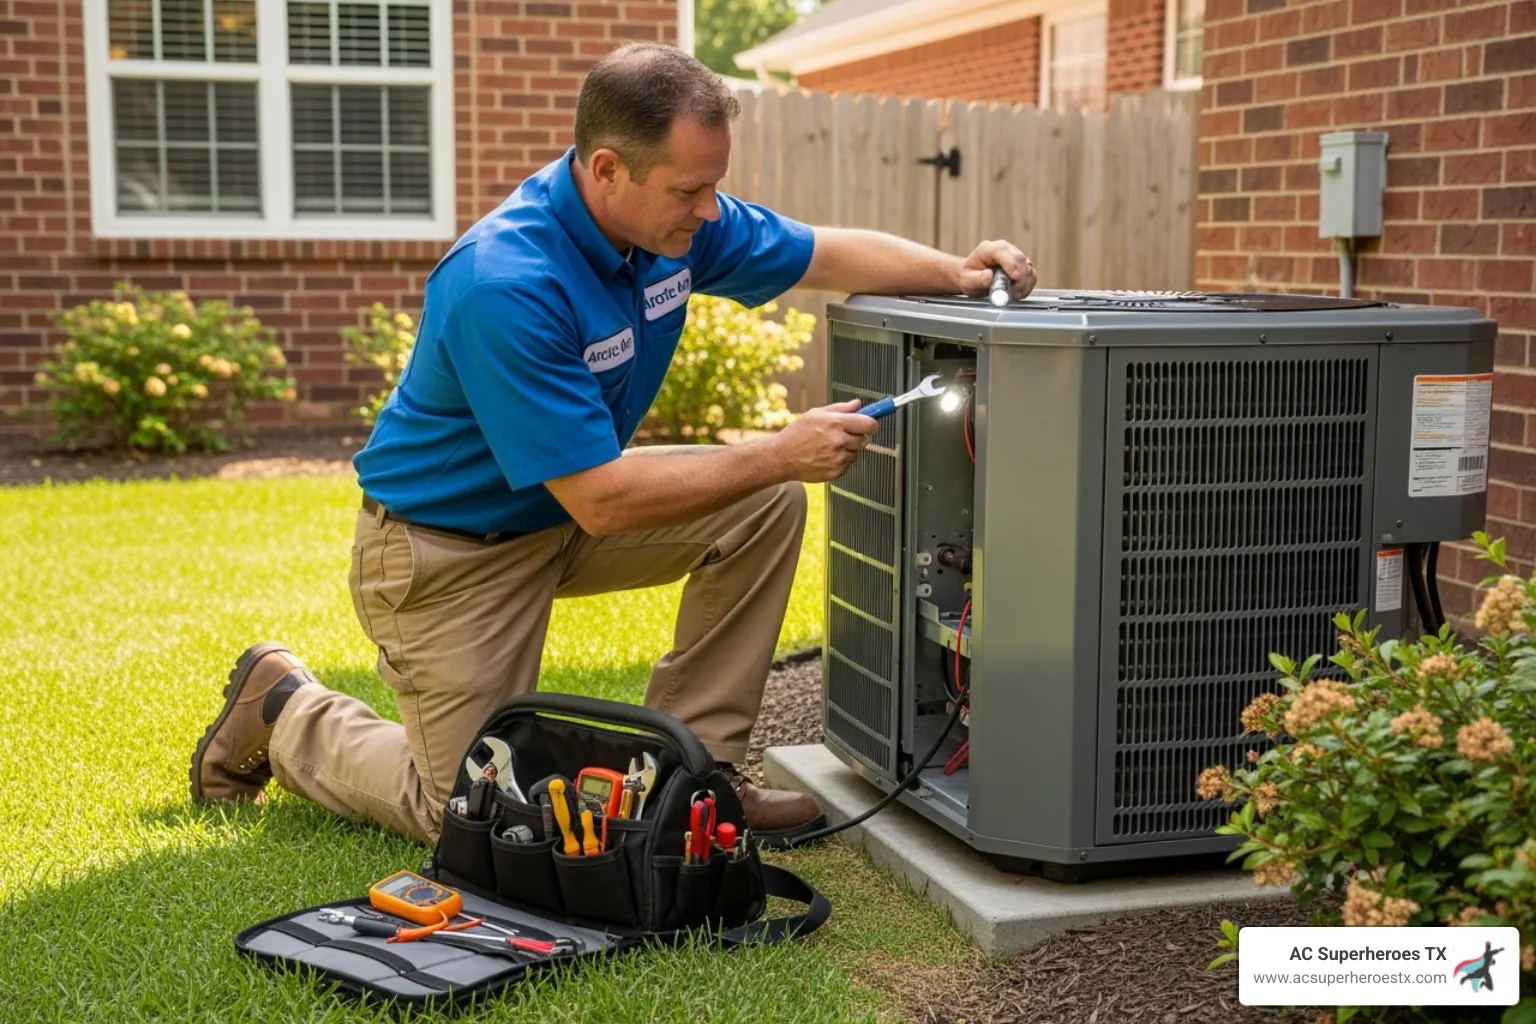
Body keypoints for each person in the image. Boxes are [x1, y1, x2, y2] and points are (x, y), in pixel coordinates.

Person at [190, 42, 1037, 846]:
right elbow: (598, 497)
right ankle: (287, 709)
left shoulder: (672, 229)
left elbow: (816, 249)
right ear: (606, 170)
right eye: (688, 191)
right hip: (444, 554)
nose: (708, 211)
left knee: (761, 505)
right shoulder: (506, 282)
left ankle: (698, 778)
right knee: (469, 810)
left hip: (555, 518)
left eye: (715, 188)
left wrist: (956, 273)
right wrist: (781, 450)